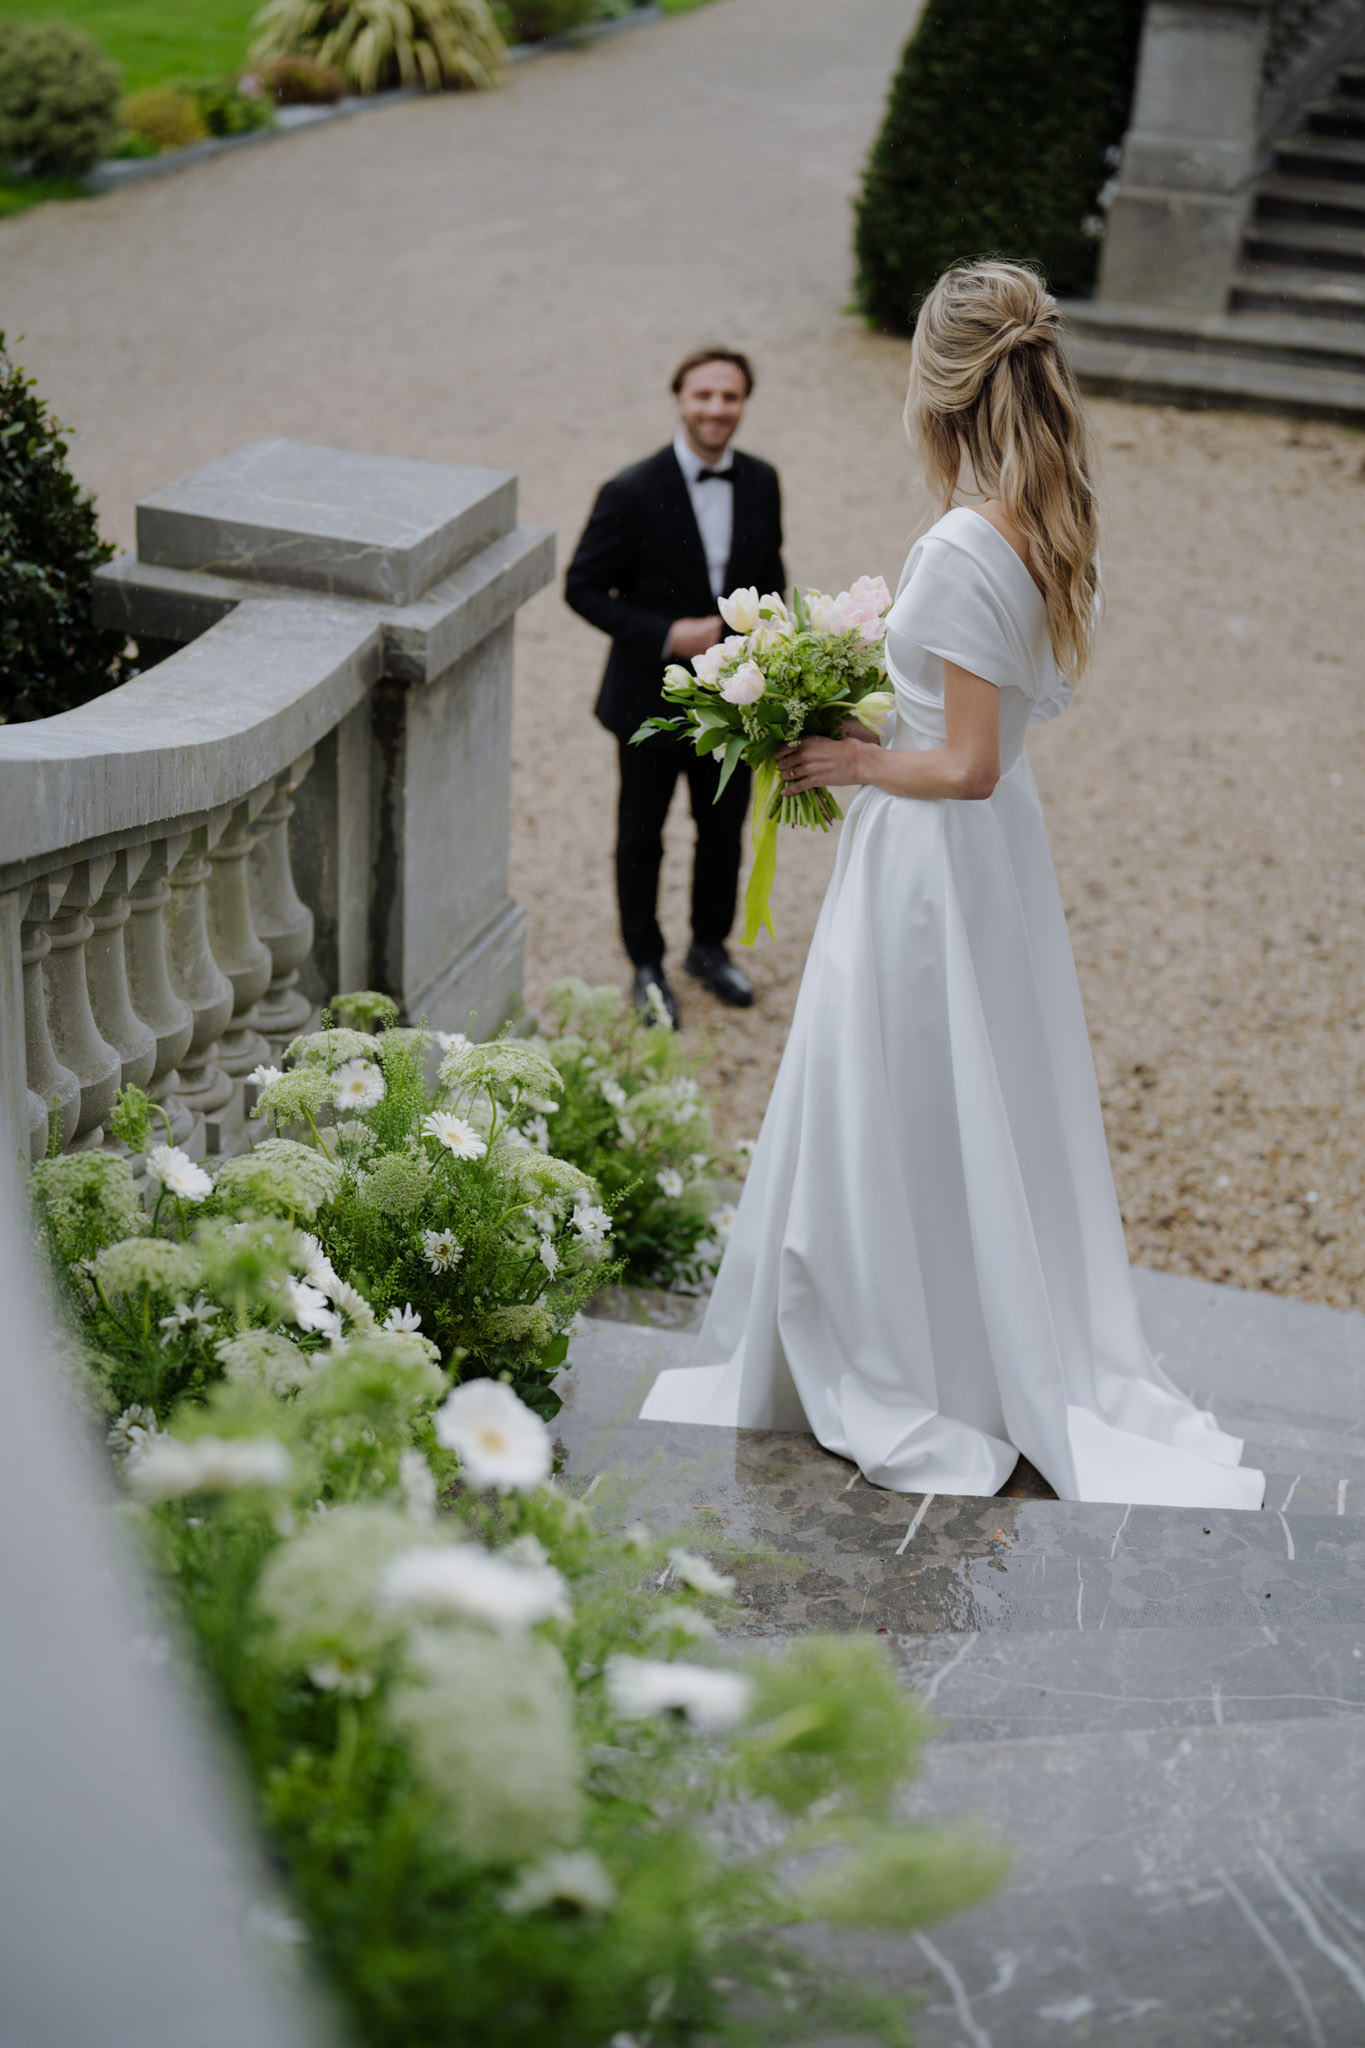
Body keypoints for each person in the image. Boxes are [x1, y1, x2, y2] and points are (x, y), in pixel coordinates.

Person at [639, 262, 1263, 1513]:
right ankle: (951, 1328)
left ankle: (907, 1357)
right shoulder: (1032, 519)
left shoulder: (970, 539)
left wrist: (852, 753)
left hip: (932, 855)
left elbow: (967, 763)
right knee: (958, 1096)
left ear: (938, 386)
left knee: (903, 1096)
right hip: (978, 859)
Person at [565, 347, 785, 1024]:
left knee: (722, 831)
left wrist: (778, 642)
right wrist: (667, 634)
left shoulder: (761, 480)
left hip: (735, 699)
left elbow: (770, 571)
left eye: (729, 397)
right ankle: (645, 964)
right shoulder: (629, 490)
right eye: (704, 396)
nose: (716, 409)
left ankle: (708, 948)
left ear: (742, 403)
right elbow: (581, 586)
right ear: (679, 399)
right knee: (642, 835)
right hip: (647, 700)